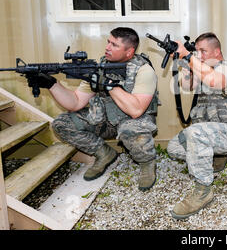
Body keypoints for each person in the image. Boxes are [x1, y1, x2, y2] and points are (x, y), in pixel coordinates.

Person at [45, 27, 159, 191]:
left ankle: (147, 163)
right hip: (105, 121)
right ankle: (104, 153)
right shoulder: (99, 67)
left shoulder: (143, 70)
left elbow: (136, 111)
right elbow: (76, 103)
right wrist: (52, 84)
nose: (107, 47)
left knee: (130, 129)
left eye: (114, 45)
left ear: (129, 51)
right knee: (62, 123)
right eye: (108, 42)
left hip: (133, 122)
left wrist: (108, 85)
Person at [167, 32, 227, 219]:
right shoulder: (202, 69)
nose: (199, 55)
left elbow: (214, 80)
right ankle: (219, 156)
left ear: (217, 51)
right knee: (173, 147)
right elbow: (186, 86)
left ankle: (203, 191)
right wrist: (186, 64)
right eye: (198, 51)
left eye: (203, 51)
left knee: (195, 133)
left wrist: (188, 55)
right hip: (208, 134)